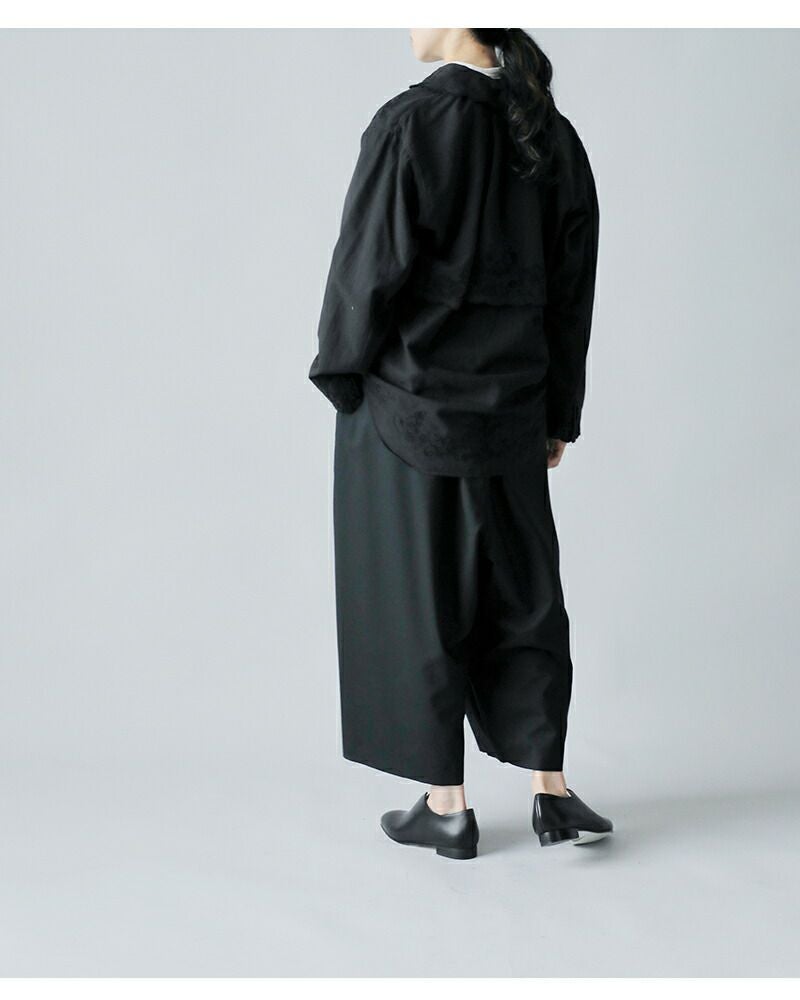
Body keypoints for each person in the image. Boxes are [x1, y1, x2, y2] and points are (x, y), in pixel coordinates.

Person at [308, 28, 613, 860]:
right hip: (512, 410)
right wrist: (558, 413)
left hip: (409, 409)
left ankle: (447, 806)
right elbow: (572, 289)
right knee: (526, 594)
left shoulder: (411, 124)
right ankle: (552, 792)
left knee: (419, 600)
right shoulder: (548, 132)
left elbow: (366, 269)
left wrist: (341, 374)